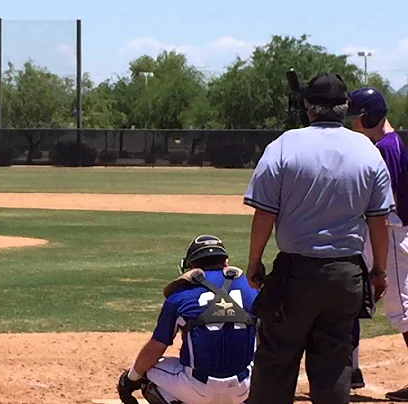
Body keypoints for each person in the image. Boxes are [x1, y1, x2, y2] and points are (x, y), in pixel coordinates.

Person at [242, 72, 393, 404]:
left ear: (309, 107)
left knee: (277, 359)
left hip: (295, 273)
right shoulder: (367, 151)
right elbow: (379, 220)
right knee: (334, 364)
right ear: (346, 109)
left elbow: (264, 214)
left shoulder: (284, 145)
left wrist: (255, 262)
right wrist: (379, 271)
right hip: (346, 276)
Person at [116, 235, 258, 404]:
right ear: (226, 262)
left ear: (193, 266)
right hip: (244, 388)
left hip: (198, 389)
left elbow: (156, 347)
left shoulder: (181, 295)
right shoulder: (251, 290)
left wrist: (130, 380)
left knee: (145, 371)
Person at [346, 86, 408, 401]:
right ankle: (350, 369)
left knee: (402, 310)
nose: (354, 124)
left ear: (369, 116)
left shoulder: (386, 147)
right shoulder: (388, 143)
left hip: (393, 233)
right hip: (389, 231)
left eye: (357, 118)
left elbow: (388, 201)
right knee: (358, 296)